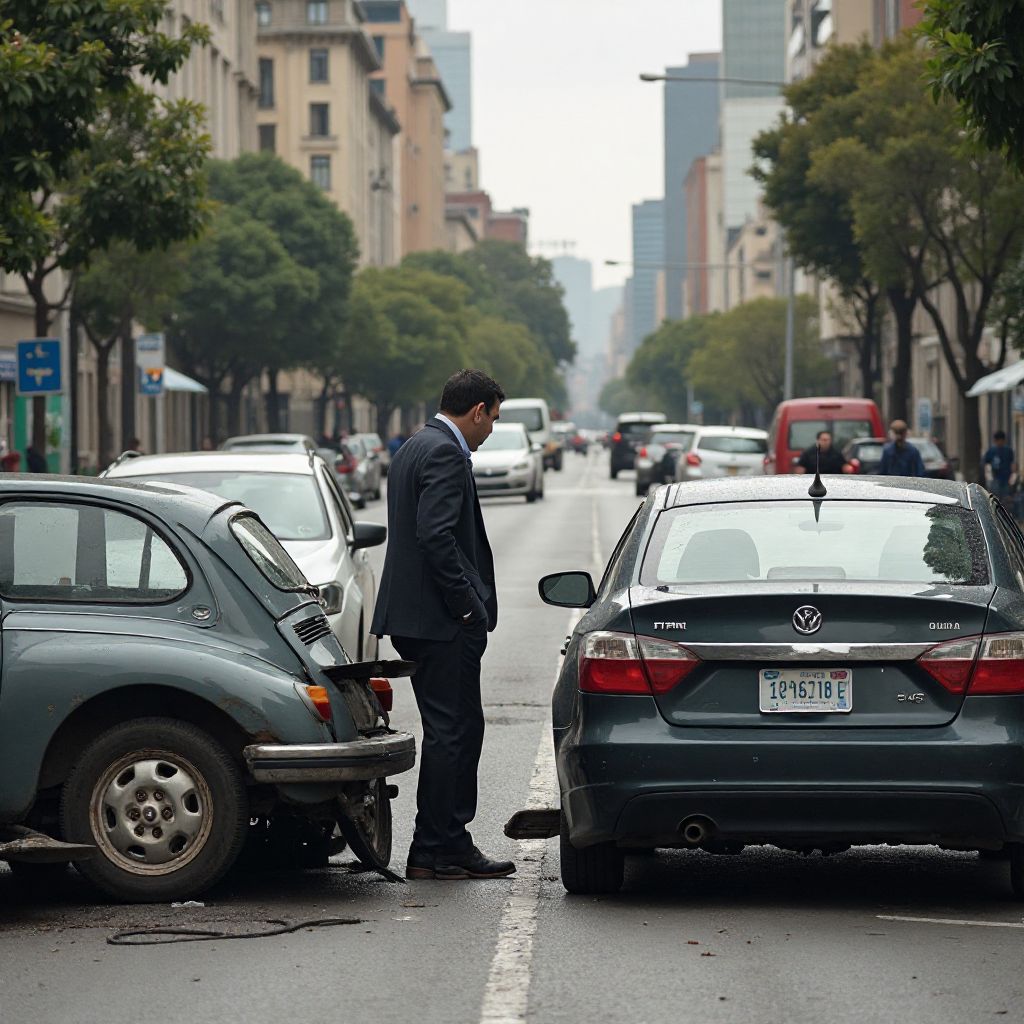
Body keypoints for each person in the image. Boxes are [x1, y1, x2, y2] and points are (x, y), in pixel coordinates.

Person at [371, 369, 514, 882]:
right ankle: (439, 847)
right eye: (492, 419)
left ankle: (438, 845)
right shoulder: (447, 453)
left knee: (452, 729)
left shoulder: (415, 444)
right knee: (454, 732)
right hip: (439, 619)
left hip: (416, 616)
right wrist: (468, 606)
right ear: (476, 410)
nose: (491, 430)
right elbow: (435, 537)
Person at [983, 430, 1017, 504]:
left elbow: (1012, 464)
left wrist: (1012, 478)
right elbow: (986, 463)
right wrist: (989, 477)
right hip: (995, 477)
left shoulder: (1008, 450)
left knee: (1005, 499)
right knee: (996, 498)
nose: (999, 442)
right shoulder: (992, 451)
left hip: (1006, 478)